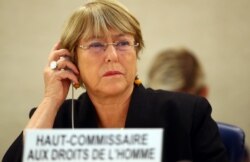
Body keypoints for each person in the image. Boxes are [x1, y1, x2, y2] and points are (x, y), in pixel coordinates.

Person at [3, 1, 228, 162]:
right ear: (72, 60)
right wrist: (51, 99)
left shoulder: (186, 114)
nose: (112, 55)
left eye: (122, 43)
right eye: (96, 45)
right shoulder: (59, 119)